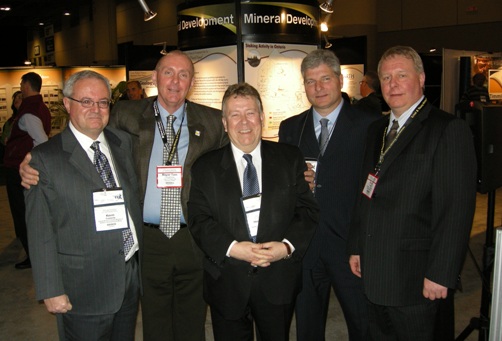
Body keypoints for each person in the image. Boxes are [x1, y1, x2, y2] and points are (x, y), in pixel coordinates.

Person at [19, 50, 228, 341]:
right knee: (154, 321)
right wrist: (34, 159)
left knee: (192, 319)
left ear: (192, 82)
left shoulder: (213, 121)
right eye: (168, 72)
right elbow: (85, 134)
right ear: (155, 77)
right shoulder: (125, 114)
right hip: (147, 238)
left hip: (192, 236)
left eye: (184, 74)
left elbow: (239, 158)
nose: (175, 81)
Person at [347, 46, 477, 341]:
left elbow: (455, 209)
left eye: (401, 75)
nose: (392, 84)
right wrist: (356, 245)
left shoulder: (446, 130)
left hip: (417, 279)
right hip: (375, 272)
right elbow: (365, 193)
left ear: (420, 78)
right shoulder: (376, 129)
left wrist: (441, 273)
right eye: (386, 77)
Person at [188, 82, 318, 341]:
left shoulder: (290, 158)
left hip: (278, 279)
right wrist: (234, 248)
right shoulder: (205, 167)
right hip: (227, 280)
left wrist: (286, 247)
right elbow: (199, 220)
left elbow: (306, 211)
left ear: (261, 116)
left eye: (250, 113)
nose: (243, 122)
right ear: (224, 123)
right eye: (234, 115)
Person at [24, 70, 142, 340]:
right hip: (82, 286)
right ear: (67, 104)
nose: (95, 109)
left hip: (128, 275)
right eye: (86, 101)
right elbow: (40, 231)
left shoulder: (122, 143)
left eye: (102, 102)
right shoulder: (44, 160)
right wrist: (50, 288)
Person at [278, 49, 376, 341]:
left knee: (363, 324)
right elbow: (282, 188)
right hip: (306, 247)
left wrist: (361, 243)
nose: (318, 88)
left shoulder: (369, 125)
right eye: (310, 81)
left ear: (340, 80)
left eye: (325, 79)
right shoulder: (291, 128)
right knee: (307, 327)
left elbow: (374, 190)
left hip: (350, 248)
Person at [4, 72, 51, 270]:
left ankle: (33, 255)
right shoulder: (39, 108)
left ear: (26, 86)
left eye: (22, 83)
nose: (21, 86)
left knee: (23, 214)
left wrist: (28, 160)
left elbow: (41, 141)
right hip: (22, 168)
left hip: (19, 170)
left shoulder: (29, 112)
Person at [0, 91, 23, 160]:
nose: (16, 99)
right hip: (5, 152)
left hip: (16, 155)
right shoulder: (11, 119)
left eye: (19, 97)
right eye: (15, 98)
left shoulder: (25, 117)